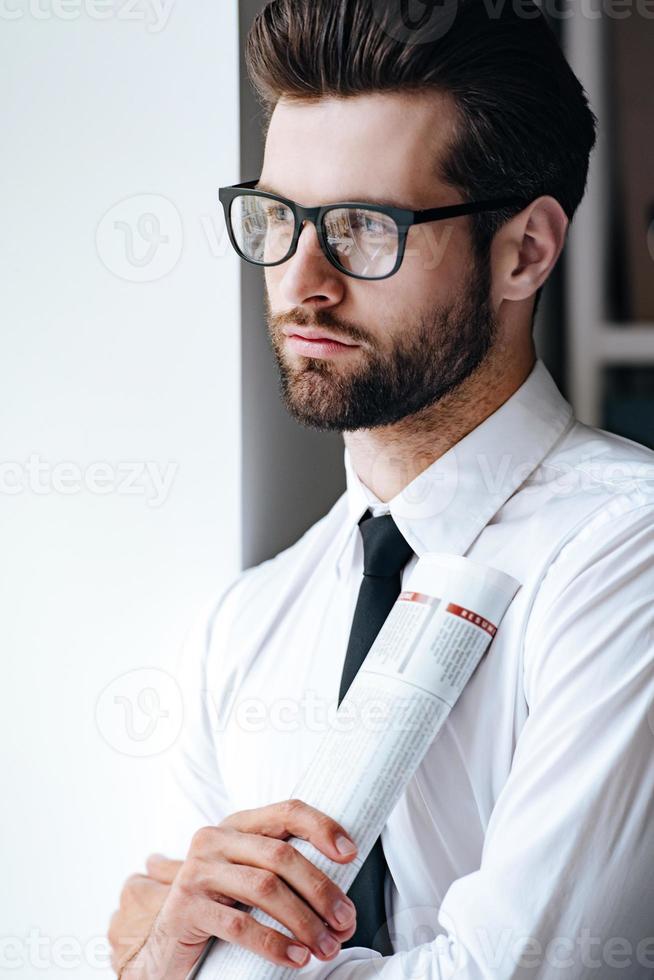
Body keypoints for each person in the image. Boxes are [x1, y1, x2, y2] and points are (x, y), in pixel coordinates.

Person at [109, 1, 654, 977]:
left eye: (364, 225)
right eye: (278, 218)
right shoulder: (242, 626)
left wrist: (197, 966)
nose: (302, 279)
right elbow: (160, 947)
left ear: (525, 250)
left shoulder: (628, 550)